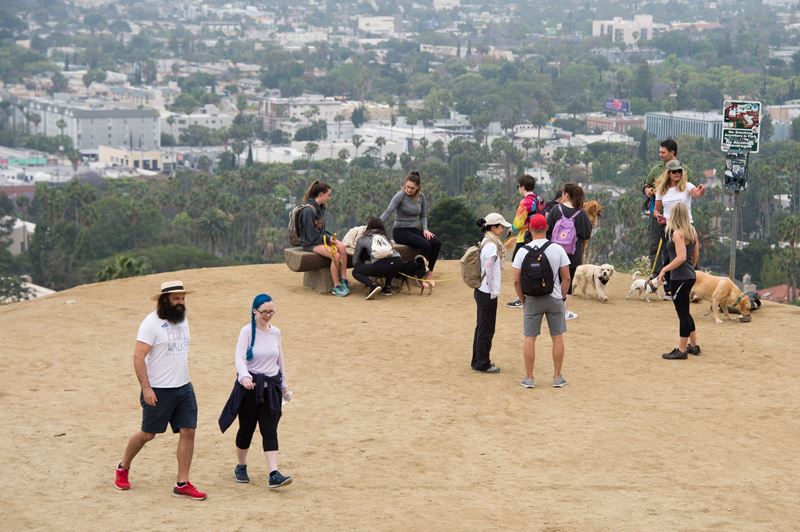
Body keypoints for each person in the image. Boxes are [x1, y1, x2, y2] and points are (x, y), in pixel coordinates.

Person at [114, 280, 206, 500]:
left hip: (184, 386)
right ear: (165, 300)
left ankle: (182, 483)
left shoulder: (182, 320)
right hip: (159, 390)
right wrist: (146, 388)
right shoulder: (151, 323)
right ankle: (123, 467)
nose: (181, 302)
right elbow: (138, 357)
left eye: (183, 298)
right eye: (176, 299)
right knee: (148, 434)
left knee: (189, 431)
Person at [219, 294, 293, 488]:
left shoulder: (276, 332)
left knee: (270, 430)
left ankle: (273, 473)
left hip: (271, 389)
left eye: (271, 312)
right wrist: (244, 377)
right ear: (255, 311)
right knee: (246, 429)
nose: (268, 315)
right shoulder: (246, 332)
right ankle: (241, 466)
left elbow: (280, 360)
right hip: (250, 389)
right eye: (264, 312)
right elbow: (239, 357)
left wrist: (284, 386)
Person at [512, 214, 571, 389]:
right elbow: (566, 277)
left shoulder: (523, 251)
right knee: (557, 337)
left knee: (530, 338)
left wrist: (523, 299)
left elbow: (516, 280)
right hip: (554, 298)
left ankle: (529, 378)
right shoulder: (558, 249)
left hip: (532, 299)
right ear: (547, 228)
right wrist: (562, 296)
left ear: (530, 229)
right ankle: (557, 377)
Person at [380, 171, 441, 289]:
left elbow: (423, 216)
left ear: (418, 188)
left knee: (436, 243)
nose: (408, 190)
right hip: (400, 231)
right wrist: (375, 225)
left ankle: (429, 273)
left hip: (414, 229)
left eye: (412, 188)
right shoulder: (400, 196)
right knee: (425, 245)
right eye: (407, 187)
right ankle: (420, 275)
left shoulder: (421, 197)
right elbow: (388, 211)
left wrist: (425, 229)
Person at [653, 159, 706, 296]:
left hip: (686, 226)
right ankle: (669, 289)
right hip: (669, 227)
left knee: (690, 256)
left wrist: (701, 191)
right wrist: (658, 216)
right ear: (668, 173)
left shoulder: (687, 186)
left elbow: (696, 193)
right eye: (674, 171)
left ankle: (694, 289)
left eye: (679, 171)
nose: (677, 173)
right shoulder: (661, 190)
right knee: (669, 256)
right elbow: (656, 209)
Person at [657, 203, 701, 359]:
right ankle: (694, 346)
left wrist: (664, 269)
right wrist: (692, 267)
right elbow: (695, 253)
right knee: (685, 311)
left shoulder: (677, 234)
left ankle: (681, 350)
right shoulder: (692, 231)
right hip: (689, 275)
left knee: (682, 313)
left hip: (680, 277)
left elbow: (681, 257)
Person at [546, 183, 592, 320]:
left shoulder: (556, 209)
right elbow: (587, 234)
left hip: (554, 252)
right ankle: (564, 313)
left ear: (566, 195)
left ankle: (550, 311)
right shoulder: (581, 214)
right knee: (568, 281)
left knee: (553, 281)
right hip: (572, 255)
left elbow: (548, 229)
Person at [472, 213, 512, 373]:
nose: (502, 229)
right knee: (487, 328)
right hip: (487, 291)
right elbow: (489, 267)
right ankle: (483, 363)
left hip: (481, 290)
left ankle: (477, 360)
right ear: (493, 227)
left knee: (481, 327)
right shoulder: (491, 245)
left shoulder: (487, 241)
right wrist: (491, 285)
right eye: (501, 226)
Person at [299, 180, 350, 297]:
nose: (329, 198)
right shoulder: (308, 211)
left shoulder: (321, 208)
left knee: (341, 247)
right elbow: (312, 236)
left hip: (320, 239)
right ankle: (336, 286)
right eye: (328, 195)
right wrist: (328, 239)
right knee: (335, 255)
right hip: (310, 244)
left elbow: (321, 231)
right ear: (321, 194)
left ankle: (344, 279)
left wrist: (330, 238)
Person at [352, 217, 421, 299]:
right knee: (390, 264)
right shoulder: (384, 237)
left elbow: (355, 260)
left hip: (381, 266)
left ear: (368, 227)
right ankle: (387, 287)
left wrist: (365, 264)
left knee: (355, 272)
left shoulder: (363, 239)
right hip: (398, 262)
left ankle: (372, 285)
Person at [507, 174, 545, 309]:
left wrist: (511, 229)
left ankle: (522, 297)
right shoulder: (540, 199)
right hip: (538, 236)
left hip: (525, 237)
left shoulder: (525, 202)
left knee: (520, 267)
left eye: (518, 186)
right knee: (535, 266)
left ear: (522, 187)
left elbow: (518, 223)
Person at [643, 140, 678, 271]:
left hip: (674, 216)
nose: (660, 155)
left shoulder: (682, 170)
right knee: (654, 245)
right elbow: (646, 184)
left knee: (671, 246)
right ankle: (655, 275)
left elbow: (690, 188)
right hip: (656, 213)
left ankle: (669, 277)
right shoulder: (656, 169)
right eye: (659, 152)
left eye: (663, 152)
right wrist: (647, 190)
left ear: (672, 152)